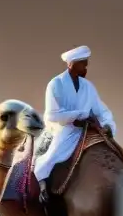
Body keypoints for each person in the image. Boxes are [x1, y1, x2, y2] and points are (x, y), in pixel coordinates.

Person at [34, 45, 117, 205]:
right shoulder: (55, 84)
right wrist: (76, 117)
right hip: (63, 128)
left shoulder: (88, 87)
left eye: (86, 63)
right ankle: (41, 180)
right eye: (83, 63)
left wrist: (107, 124)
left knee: (112, 150)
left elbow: (101, 109)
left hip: (87, 129)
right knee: (53, 155)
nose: (86, 67)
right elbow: (53, 113)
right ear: (72, 64)